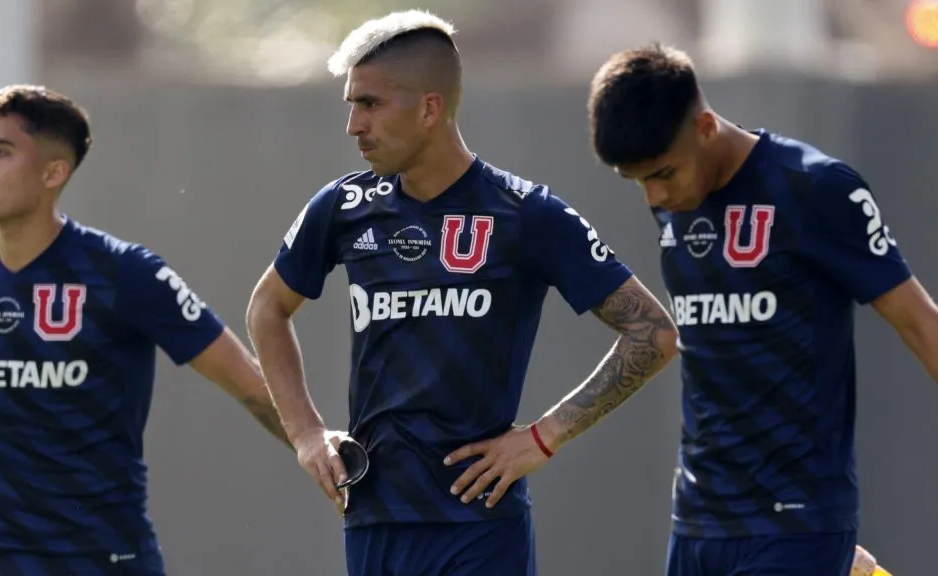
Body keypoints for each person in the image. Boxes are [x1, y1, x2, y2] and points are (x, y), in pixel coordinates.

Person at [245, 10, 679, 576]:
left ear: (430, 108)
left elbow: (653, 333)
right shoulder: (343, 207)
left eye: (370, 103)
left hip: (479, 528)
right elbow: (267, 309)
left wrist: (543, 438)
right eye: (351, 104)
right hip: (374, 520)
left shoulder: (527, 213)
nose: (354, 124)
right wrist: (304, 435)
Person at [586, 44, 937, 575]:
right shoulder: (676, 205)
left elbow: (919, 321)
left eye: (663, 174)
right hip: (698, 523)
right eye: (637, 181)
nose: (654, 198)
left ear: (705, 127)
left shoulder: (817, 189)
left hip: (795, 520)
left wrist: (818, 542)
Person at [0, 84, 289, 576]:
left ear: (53, 172)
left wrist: (330, 460)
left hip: (102, 557)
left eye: (0, 152)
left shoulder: (125, 273)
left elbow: (253, 388)